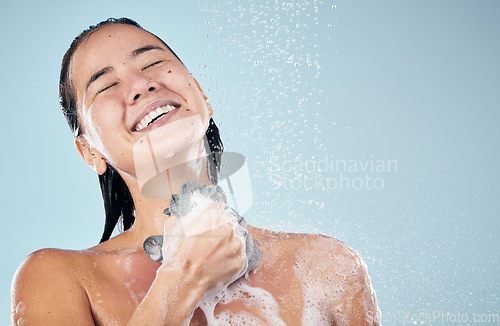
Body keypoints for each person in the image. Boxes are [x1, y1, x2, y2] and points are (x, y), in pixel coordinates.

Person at [11, 18, 381, 325]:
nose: (141, 85)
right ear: (90, 151)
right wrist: (183, 278)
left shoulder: (328, 268)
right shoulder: (61, 278)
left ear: (202, 95)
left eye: (152, 63)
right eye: (106, 85)